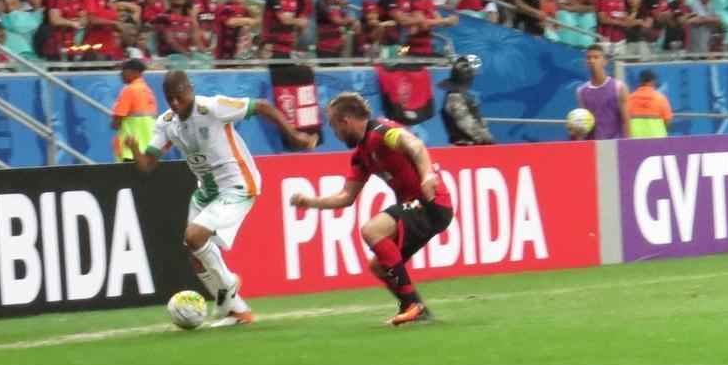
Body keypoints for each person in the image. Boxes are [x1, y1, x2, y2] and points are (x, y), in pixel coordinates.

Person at [126, 71, 317, 326]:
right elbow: (148, 164)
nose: (174, 102)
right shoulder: (167, 123)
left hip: (238, 185)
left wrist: (293, 135)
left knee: (194, 236)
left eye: (179, 95)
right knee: (194, 252)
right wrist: (136, 151)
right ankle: (237, 311)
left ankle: (228, 285)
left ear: (190, 89)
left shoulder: (212, 108)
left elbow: (261, 105)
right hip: (206, 192)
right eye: (169, 98)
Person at [288, 93, 454, 326]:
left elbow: (415, 145)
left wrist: (427, 175)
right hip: (415, 207)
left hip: (431, 202)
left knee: (372, 230)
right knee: (378, 266)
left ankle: (413, 306)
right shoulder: (360, 155)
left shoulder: (382, 131)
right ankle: (416, 309)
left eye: (334, 126)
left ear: (345, 120)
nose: (334, 133)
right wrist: (309, 202)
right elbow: (346, 197)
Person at [576, 44, 629, 139]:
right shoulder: (581, 91)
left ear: (605, 62)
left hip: (615, 146)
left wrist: (628, 146)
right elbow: (584, 123)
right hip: (593, 147)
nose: (592, 61)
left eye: (596, 57)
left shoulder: (619, 87)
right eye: (588, 58)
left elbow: (626, 121)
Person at [440, 55, 494, 145]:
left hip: (475, 146)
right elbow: (466, 124)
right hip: (466, 148)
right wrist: (487, 140)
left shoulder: (464, 96)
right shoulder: (454, 98)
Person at [111, 59, 157, 162]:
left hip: (131, 149)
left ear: (135, 72)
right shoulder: (148, 91)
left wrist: (114, 122)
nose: (121, 74)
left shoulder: (129, 90)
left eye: (124, 71)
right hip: (148, 148)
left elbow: (116, 122)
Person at [627, 70, 673, 138]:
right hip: (657, 139)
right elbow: (668, 121)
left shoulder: (630, 99)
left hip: (635, 139)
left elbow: (624, 120)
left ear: (640, 81)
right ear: (653, 81)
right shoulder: (661, 98)